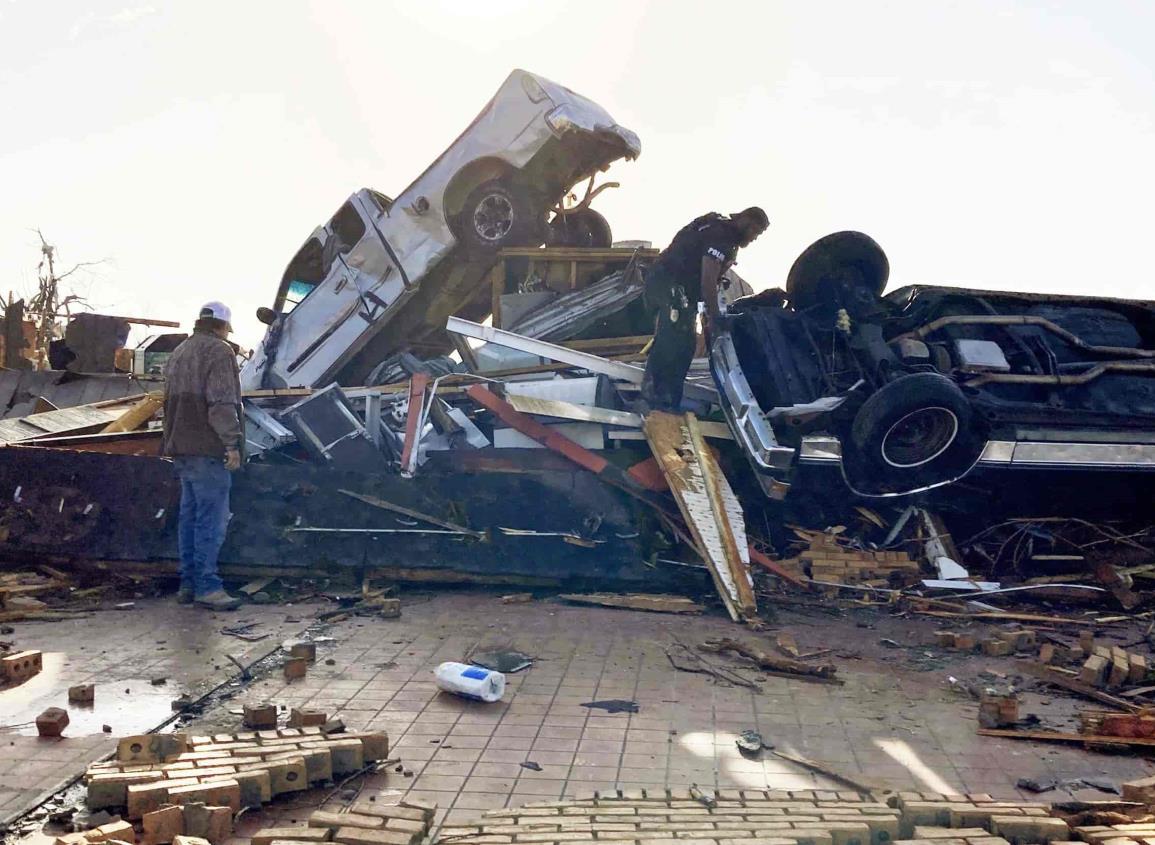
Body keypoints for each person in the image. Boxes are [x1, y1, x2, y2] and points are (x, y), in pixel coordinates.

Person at [640, 207, 769, 411]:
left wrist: (705, 314)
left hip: (678, 288)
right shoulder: (722, 236)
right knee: (676, 338)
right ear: (746, 221)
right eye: (755, 231)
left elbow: (707, 283)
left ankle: (666, 399)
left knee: (684, 342)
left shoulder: (722, 232)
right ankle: (654, 398)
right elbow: (707, 279)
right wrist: (715, 316)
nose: (754, 238)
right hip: (670, 283)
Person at [162, 301, 245, 611]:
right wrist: (231, 445)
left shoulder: (180, 351)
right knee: (212, 520)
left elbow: (168, 404)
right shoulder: (220, 352)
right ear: (222, 327)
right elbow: (222, 403)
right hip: (207, 449)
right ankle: (208, 587)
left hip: (180, 448)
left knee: (190, 518)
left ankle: (188, 584)